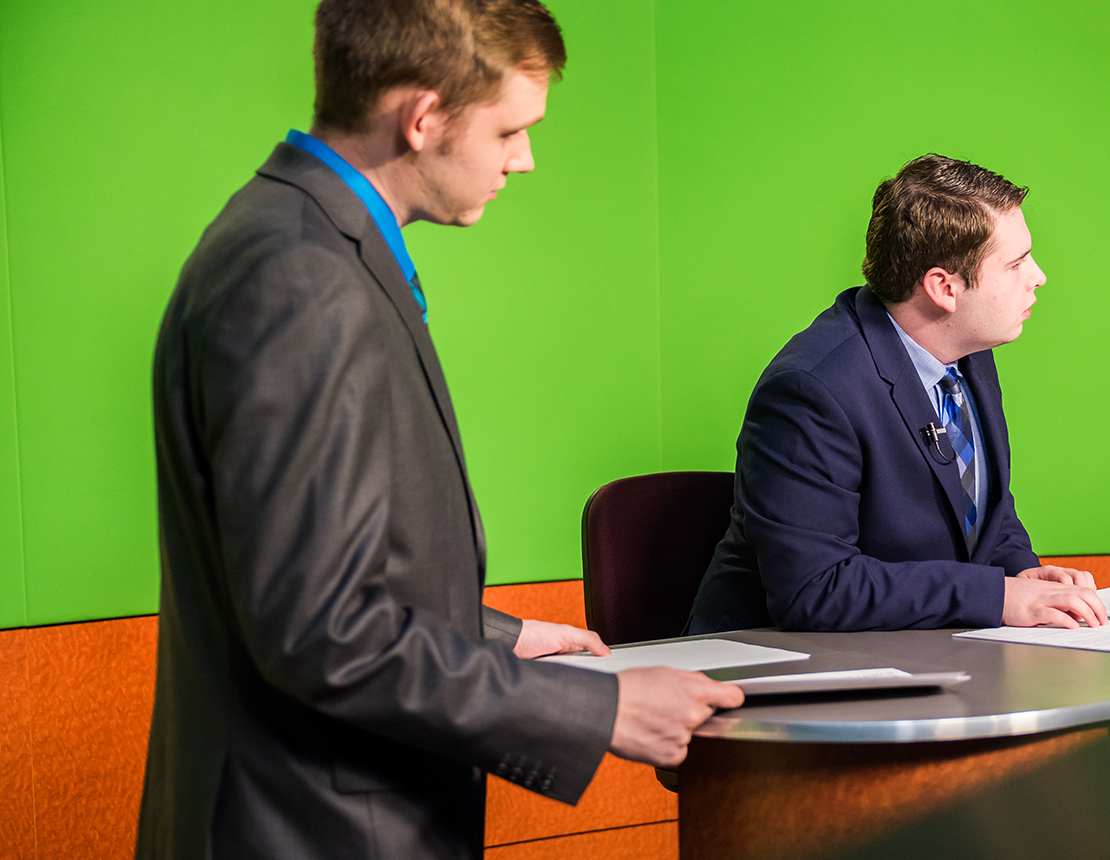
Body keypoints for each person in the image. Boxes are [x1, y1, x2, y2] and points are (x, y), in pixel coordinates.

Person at [137, 2, 741, 857]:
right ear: (423, 118)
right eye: (509, 132)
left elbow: (310, 577)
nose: (525, 160)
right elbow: (318, 629)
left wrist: (500, 632)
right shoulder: (300, 278)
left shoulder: (305, 242)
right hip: (311, 829)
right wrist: (601, 709)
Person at [686, 154, 1108, 634]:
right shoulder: (811, 391)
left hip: (927, 656)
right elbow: (815, 590)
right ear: (943, 288)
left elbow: (982, 506)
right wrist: (998, 594)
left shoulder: (967, 349)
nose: (1038, 276)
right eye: (1015, 263)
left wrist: (1020, 571)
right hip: (778, 679)